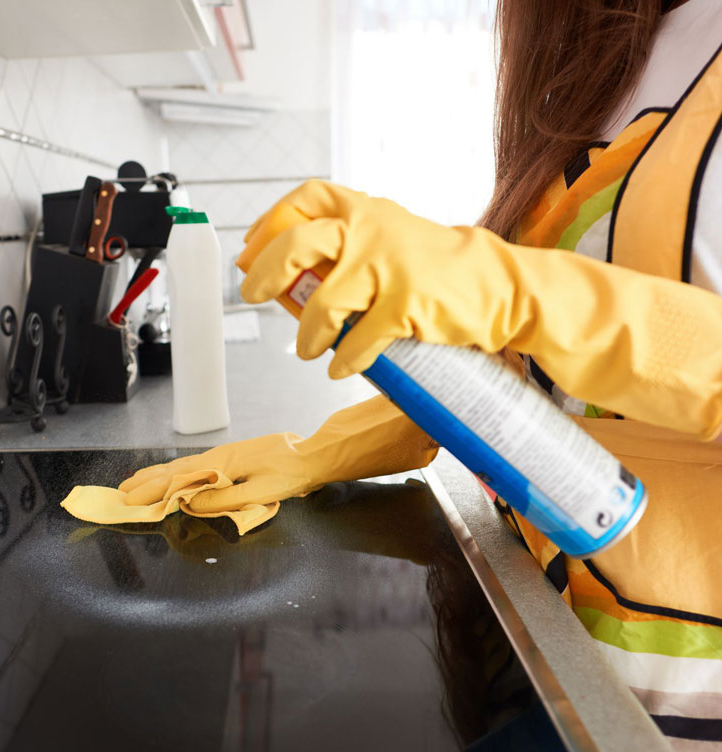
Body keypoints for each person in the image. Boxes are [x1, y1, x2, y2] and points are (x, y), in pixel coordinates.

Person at [65, 0, 722, 747]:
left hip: (678, 694)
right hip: (556, 639)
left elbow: (550, 317)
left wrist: (508, 290)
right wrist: (326, 450)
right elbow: (531, 376)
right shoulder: (604, 62)